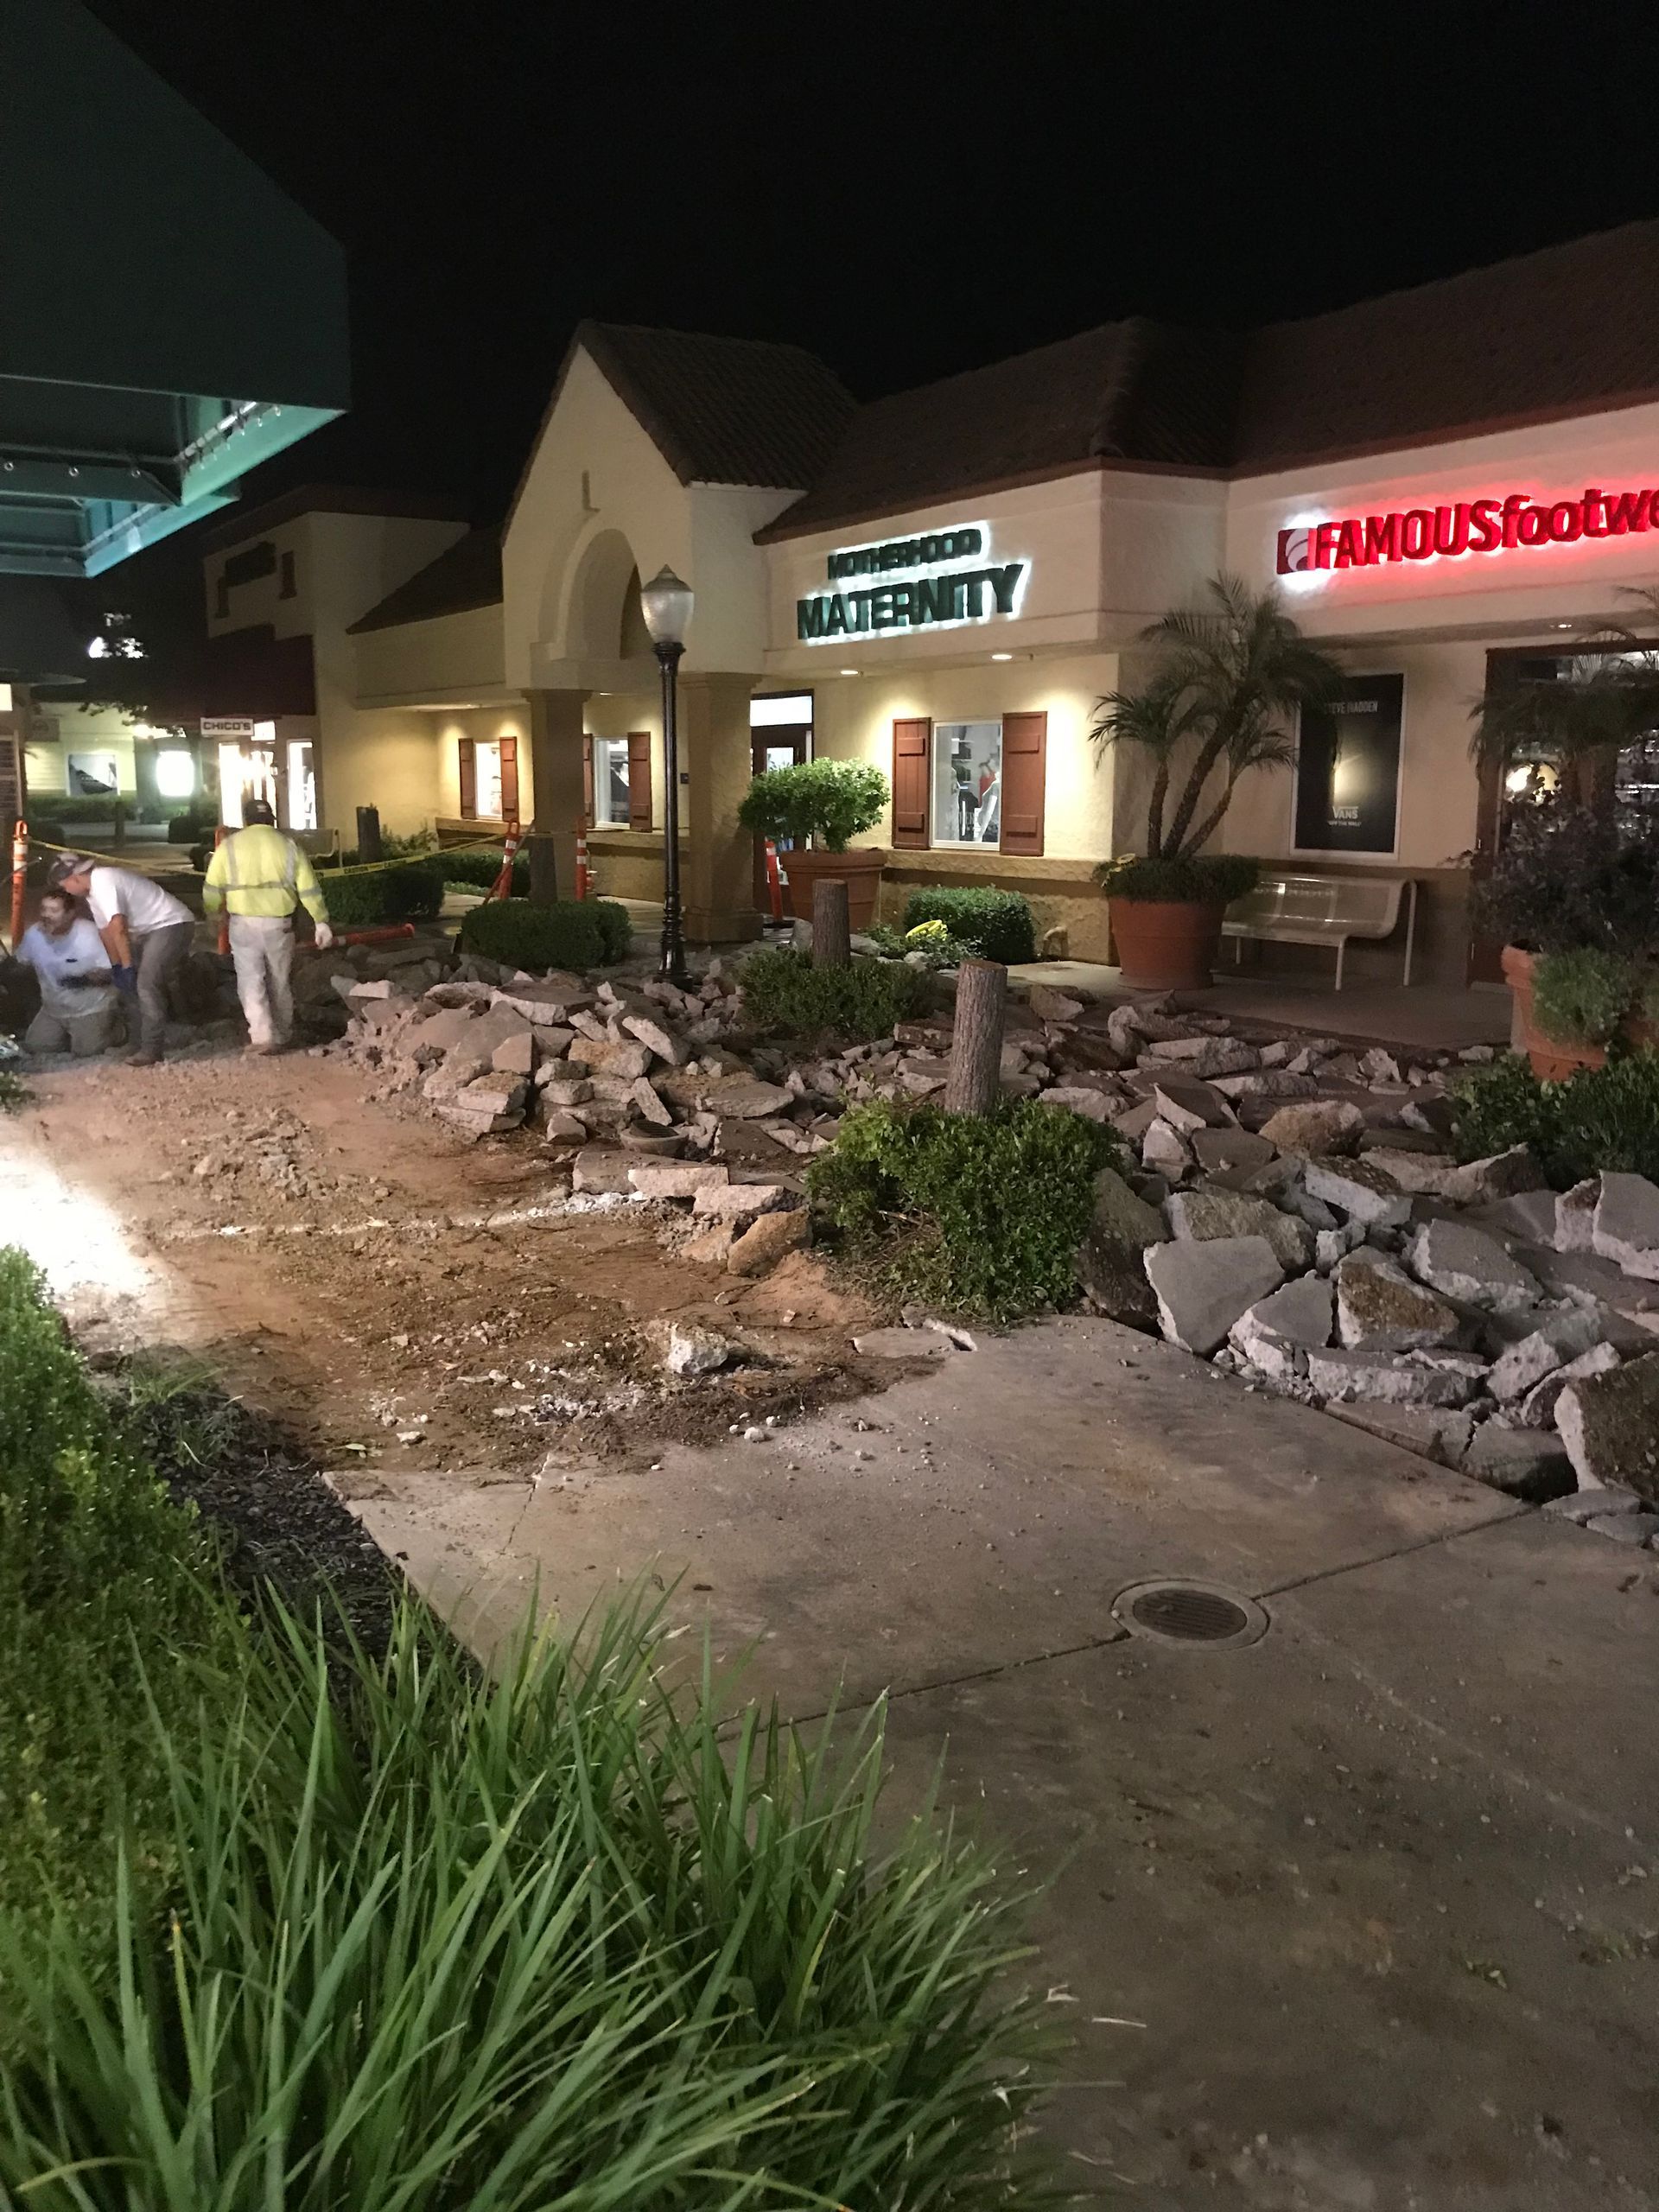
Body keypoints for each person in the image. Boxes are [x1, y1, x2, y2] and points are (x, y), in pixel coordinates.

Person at [201, 798, 333, 1055]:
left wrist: (212, 915)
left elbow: (212, 888)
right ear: (271, 820)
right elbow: (308, 888)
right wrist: (321, 920)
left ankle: (263, 1036)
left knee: (251, 980)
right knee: (280, 981)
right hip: (279, 925)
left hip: (243, 924)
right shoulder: (289, 846)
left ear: (246, 820)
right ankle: (283, 1034)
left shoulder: (229, 847)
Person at [48, 854, 195, 1066]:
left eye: (65, 885)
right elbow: (105, 931)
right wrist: (117, 966)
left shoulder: (104, 880)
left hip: (172, 924)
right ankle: (137, 1042)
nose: (67, 891)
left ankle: (151, 1049)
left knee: (146, 984)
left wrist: (126, 966)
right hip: (149, 930)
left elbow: (118, 926)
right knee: (130, 987)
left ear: (75, 877)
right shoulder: (92, 894)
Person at [15, 888, 125, 1056]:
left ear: (70, 914)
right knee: (38, 1047)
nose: (46, 915)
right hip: (53, 1009)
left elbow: (112, 971)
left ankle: (117, 1028)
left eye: (54, 911)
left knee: (88, 1051)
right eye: (44, 909)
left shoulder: (90, 934)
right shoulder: (33, 934)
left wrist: (84, 980)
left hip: (91, 1008)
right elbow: (21, 963)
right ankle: (71, 1035)